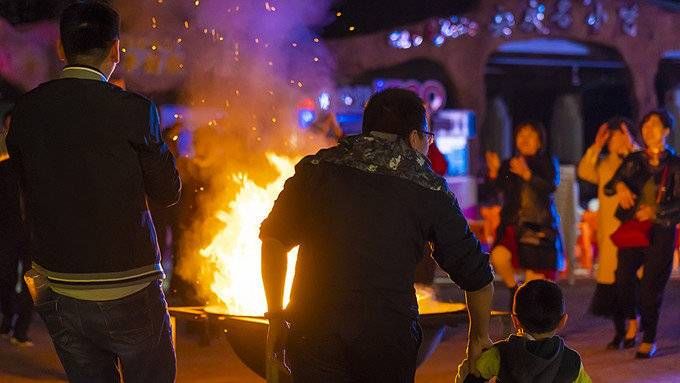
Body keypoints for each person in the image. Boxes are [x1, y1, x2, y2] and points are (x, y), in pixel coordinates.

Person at [260, 88, 494, 382]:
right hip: (386, 335)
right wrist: (478, 338)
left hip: (313, 326)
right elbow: (478, 277)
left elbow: (273, 240)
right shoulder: (428, 188)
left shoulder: (316, 169)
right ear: (413, 138)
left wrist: (276, 315)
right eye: (427, 138)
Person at [6, 2, 181, 381]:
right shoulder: (136, 111)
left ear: (60, 48)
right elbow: (168, 192)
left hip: (60, 287)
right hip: (131, 287)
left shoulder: (27, 110)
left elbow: (22, 186)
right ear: (116, 50)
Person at [604, 110, 680, 359]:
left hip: (663, 230)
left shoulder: (675, 164)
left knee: (650, 287)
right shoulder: (635, 159)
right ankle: (632, 320)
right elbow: (608, 186)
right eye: (645, 125)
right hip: (634, 230)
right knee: (622, 277)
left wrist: (656, 211)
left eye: (655, 125)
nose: (648, 130)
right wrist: (622, 185)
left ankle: (649, 338)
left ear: (667, 131)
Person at [485, 121, 563, 309]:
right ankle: (514, 289)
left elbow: (550, 187)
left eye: (530, 135)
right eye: (521, 135)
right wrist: (495, 173)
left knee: (534, 284)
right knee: (498, 256)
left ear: (539, 141)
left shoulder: (547, 161)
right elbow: (497, 191)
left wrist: (528, 175)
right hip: (512, 225)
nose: (525, 139)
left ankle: (533, 325)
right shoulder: (509, 163)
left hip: (537, 227)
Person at [577, 117, 639, 349]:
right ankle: (619, 331)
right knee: (612, 284)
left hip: (634, 233)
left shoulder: (638, 161)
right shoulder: (603, 165)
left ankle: (634, 326)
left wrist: (632, 147)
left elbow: (649, 171)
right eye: (612, 139)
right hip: (610, 235)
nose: (617, 142)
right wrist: (596, 146)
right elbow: (584, 171)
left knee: (631, 282)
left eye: (621, 137)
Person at [457, 279, 592, 383]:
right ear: (563, 321)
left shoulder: (500, 354)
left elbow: (471, 376)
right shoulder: (571, 360)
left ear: (515, 321)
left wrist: (466, 367)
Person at [0, 111, 33, 346]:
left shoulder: (35, 161)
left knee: (31, 279)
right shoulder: (3, 163)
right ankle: (7, 318)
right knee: (4, 276)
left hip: (33, 231)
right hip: (7, 229)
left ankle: (22, 328)